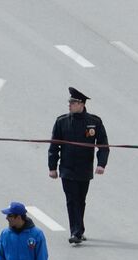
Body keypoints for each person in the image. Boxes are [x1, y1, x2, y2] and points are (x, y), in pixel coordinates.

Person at [48, 87, 110, 244]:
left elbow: (103, 145)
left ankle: (79, 230)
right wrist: (52, 167)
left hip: (84, 169)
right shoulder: (62, 122)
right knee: (71, 199)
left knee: (81, 199)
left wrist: (101, 164)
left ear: (81, 104)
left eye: (73, 102)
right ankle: (75, 231)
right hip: (67, 169)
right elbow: (54, 146)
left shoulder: (94, 122)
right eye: (69, 102)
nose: (69, 105)